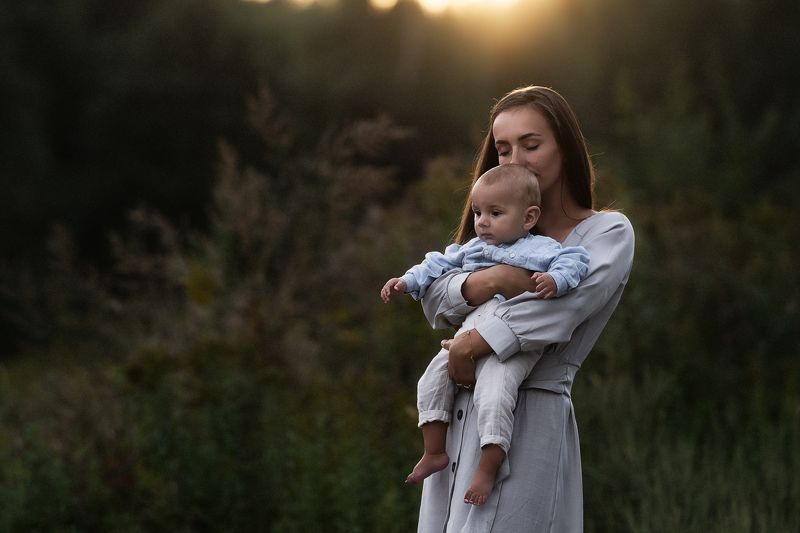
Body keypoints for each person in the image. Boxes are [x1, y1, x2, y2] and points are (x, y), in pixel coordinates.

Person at [416, 86, 635, 532]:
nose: (514, 160)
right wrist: (496, 279)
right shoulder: (490, 231)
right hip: (459, 421)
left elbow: (555, 313)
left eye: (531, 145)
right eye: (503, 149)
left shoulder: (606, 234)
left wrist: (472, 342)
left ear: (565, 147)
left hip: (530, 420)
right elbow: (436, 300)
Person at [381, 163, 590, 506]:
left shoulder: (540, 248)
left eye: (495, 213)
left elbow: (575, 261)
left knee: (495, 393)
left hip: (513, 341)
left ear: (528, 217)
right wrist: (406, 281)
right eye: (478, 212)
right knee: (431, 379)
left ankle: (489, 466)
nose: (482, 221)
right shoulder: (473, 248)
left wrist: (555, 280)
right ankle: (434, 450)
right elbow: (436, 265)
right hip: (472, 330)